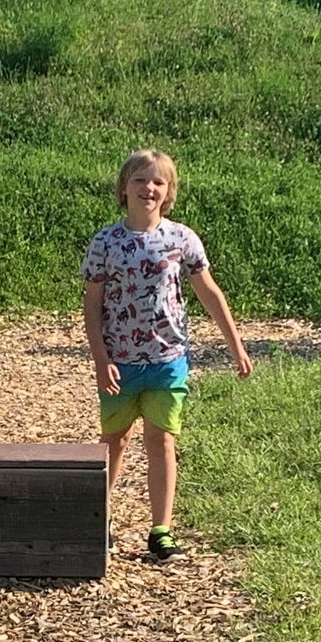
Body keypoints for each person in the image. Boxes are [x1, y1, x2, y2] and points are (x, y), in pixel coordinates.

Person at [83, 148, 252, 560]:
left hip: (167, 360)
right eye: (140, 180)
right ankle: (99, 518)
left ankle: (161, 530)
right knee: (115, 440)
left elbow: (209, 292)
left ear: (169, 191)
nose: (149, 188)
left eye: (158, 181)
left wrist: (236, 346)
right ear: (124, 188)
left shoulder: (181, 238)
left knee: (161, 441)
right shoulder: (106, 241)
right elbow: (92, 304)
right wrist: (101, 359)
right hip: (120, 362)